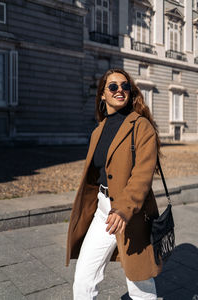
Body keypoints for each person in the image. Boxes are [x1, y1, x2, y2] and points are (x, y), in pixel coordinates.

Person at [66, 68, 163, 300]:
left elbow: (142, 174)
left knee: (139, 283)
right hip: (103, 212)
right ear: (102, 94)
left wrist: (123, 208)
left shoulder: (141, 127)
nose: (120, 90)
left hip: (131, 213)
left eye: (125, 86)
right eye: (113, 87)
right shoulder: (98, 131)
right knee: (83, 279)